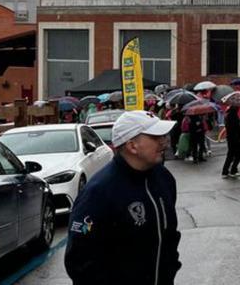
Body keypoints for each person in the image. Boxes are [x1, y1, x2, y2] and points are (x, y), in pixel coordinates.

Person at [65, 110, 180, 284]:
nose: (164, 142)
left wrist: (170, 271)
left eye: (164, 136)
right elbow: (80, 260)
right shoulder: (99, 192)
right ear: (132, 146)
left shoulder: (164, 179)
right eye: (156, 137)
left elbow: (169, 236)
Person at [221, 106, 240, 178]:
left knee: (230, 155)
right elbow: (235, 128)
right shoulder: (233, 116)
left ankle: (225, 171)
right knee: (239, 154)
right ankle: (233, 170)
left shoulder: (229, 115)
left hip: (231, 138)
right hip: (234, 139)